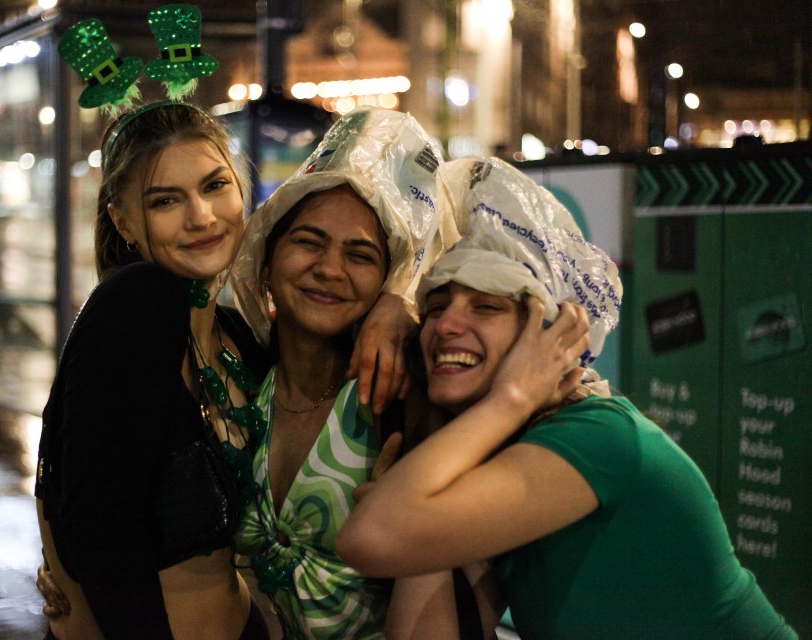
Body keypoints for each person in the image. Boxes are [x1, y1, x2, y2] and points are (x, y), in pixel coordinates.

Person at [35, 14, 416, 640]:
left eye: (215, 186)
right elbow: (96, 532)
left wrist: (394, 304)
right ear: (123, 221)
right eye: (166, 199)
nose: (203, 216)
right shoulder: (137, 303)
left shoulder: (238, 337)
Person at [336, 157, 800, 640]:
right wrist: (420, 520)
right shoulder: (506, 449)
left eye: (486, 306)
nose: (446, 325)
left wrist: (513, 396)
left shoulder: (598, 435)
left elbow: (369, 536)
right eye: (435, 308)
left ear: (550, 335)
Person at [229, 106, 450, 639]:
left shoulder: (396, 393)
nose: (329, 269)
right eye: (308, 241)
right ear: (266, 255)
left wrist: (406, 307)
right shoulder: (236, 374)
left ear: (385, 280)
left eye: (360, 254)